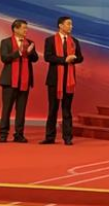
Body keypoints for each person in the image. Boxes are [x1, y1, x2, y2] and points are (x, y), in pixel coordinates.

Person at [41, 16, 84, 145]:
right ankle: (50, 137)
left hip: (69, 80)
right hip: (54, 80)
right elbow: (48, 57)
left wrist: (74, 59)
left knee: (66, 110)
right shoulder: (50, 40)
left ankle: (68, 137)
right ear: (60, 25)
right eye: (68, 24)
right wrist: (64, 60)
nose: (71, 26)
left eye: (71, 24)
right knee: (52, 109)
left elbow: (80, 58)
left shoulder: (74, 41)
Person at [0, 20, 39, 143]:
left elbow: (35, 59)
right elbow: (4, 58)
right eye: (23, 28)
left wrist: (30, 52)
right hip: (9, 81)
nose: (26, 30)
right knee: (6, 109)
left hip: (24, 81)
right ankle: (3, 134)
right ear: (15, 29)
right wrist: (20, 52)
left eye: (26, 28)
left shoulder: (30, 43)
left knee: (21, 110)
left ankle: (19, 134)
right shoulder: (5, 42)